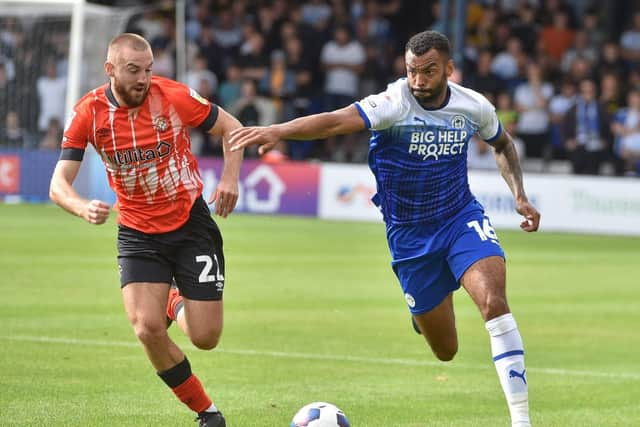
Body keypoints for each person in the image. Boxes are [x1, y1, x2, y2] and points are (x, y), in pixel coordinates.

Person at [229, 30, 540, 427]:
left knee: (494, 305)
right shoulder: (394, 103)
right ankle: (426, 307)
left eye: (428, 72)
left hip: (461, 217)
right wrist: (279, 130)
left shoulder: (473, 106)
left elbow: (502, 144)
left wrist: (519, 195)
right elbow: (335, 122)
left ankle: (521, 420)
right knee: (446, 350)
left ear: (448, 68)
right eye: (412, 71)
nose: (419, 81)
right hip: (409, 236)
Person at [49, 33, 244, 427]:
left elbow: (232, 128)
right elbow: (58, 185)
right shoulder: (87, 112)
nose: (143, 78)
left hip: (191, 224)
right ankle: (207, 413)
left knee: (206, 338)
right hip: (138, 232)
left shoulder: (173, 96)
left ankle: (173, 301)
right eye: (133, 70)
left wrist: (230, 179)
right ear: (111, 70)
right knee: (146, 328)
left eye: (148, 69)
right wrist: (81, 205)